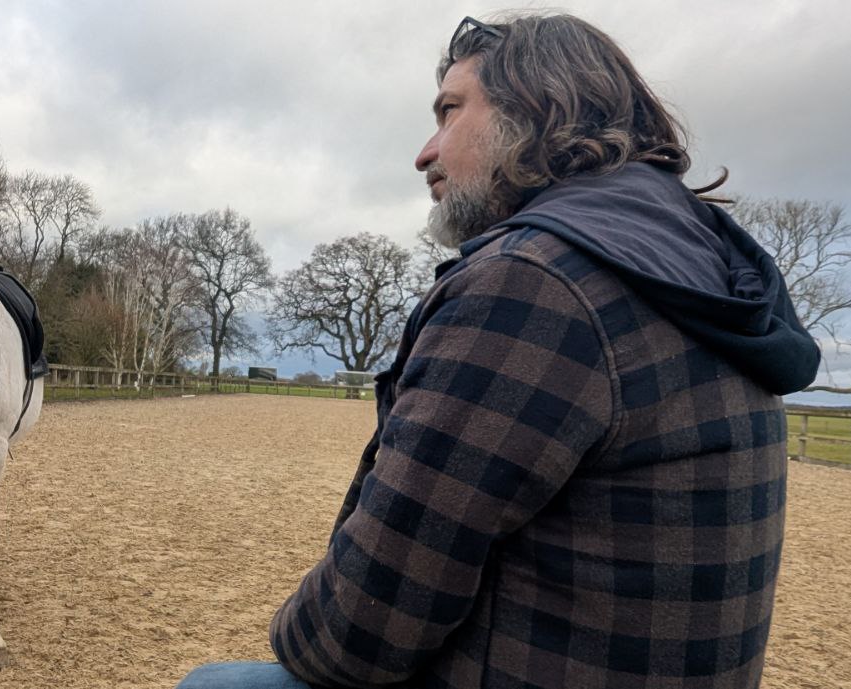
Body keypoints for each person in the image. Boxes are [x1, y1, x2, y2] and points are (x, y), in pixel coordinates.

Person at [178, 12, 818, 689]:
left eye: (450, 112)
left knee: (214, 684)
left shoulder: (534, 285)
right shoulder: (694, 269)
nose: (425, 153)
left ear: (535, 110)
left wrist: (289, 627)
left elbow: (360, 630)